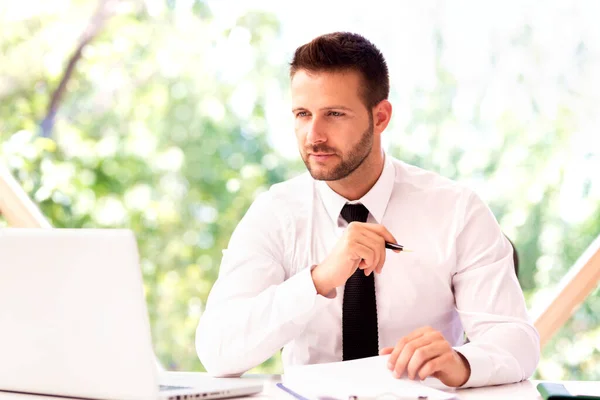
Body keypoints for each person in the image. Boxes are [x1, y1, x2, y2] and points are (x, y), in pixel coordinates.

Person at [196, 32, 539, 388]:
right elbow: (218, 351)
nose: (314, 134)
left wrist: (462, 364)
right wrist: (318, 280)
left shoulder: (457, 211)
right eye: (302, 113)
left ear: (381, 117)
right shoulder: (275, 214)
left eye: (334, 114)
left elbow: (517, 342)